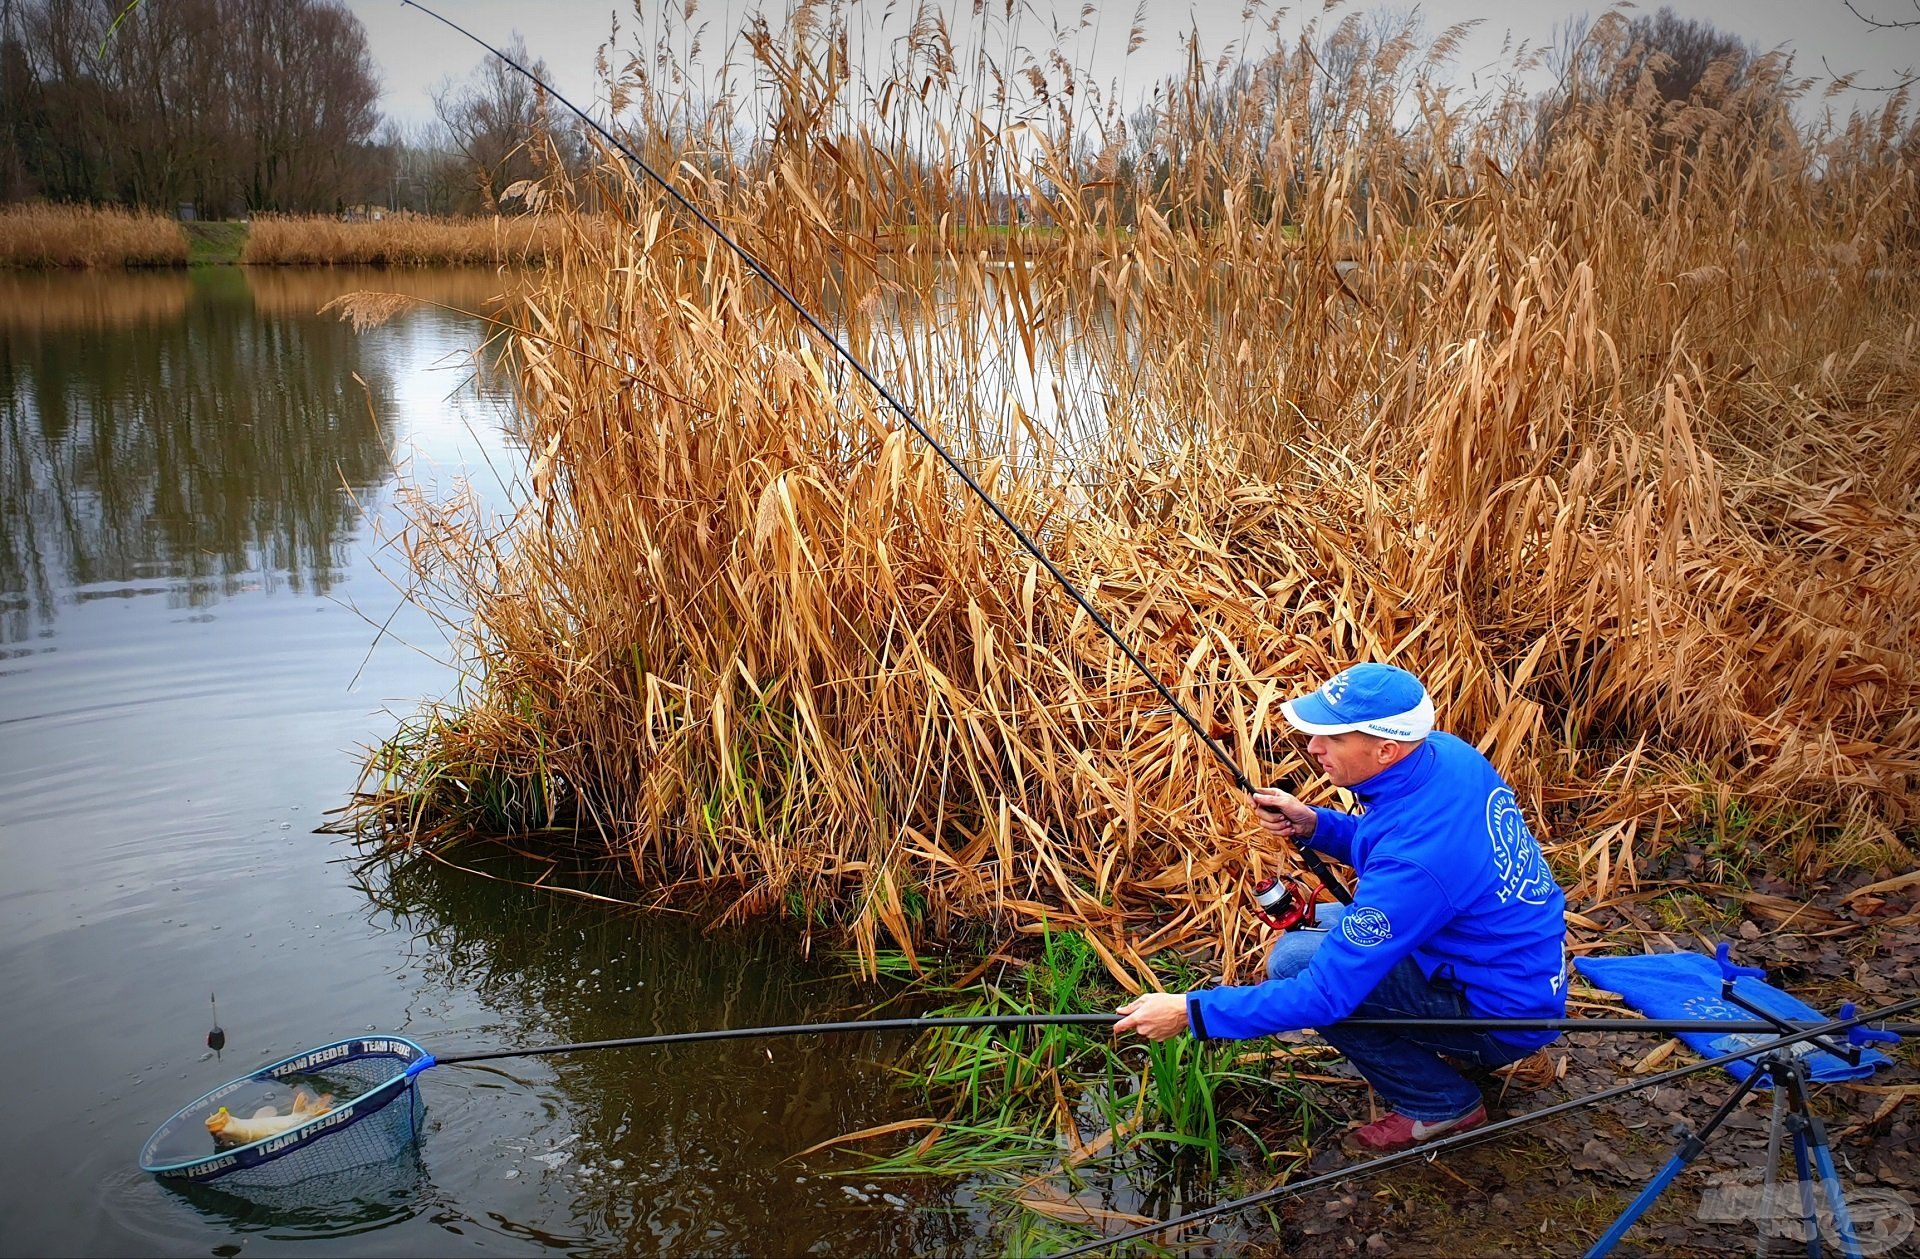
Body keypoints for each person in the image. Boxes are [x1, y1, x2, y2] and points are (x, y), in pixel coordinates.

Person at [1112, 663, 1568, 1154]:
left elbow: (1325, 996)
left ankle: (1441, 1105)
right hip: (1512, 968)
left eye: (1331, 737)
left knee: (1297, 963)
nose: (1313, 747)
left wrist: (1190, 1011)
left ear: (1385, 748)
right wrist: (1315, 825)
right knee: (1326, 925)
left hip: (1501, 1017)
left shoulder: (1418, 861)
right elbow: (1397, 845)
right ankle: (1442, 1054)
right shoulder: (1445, 757)